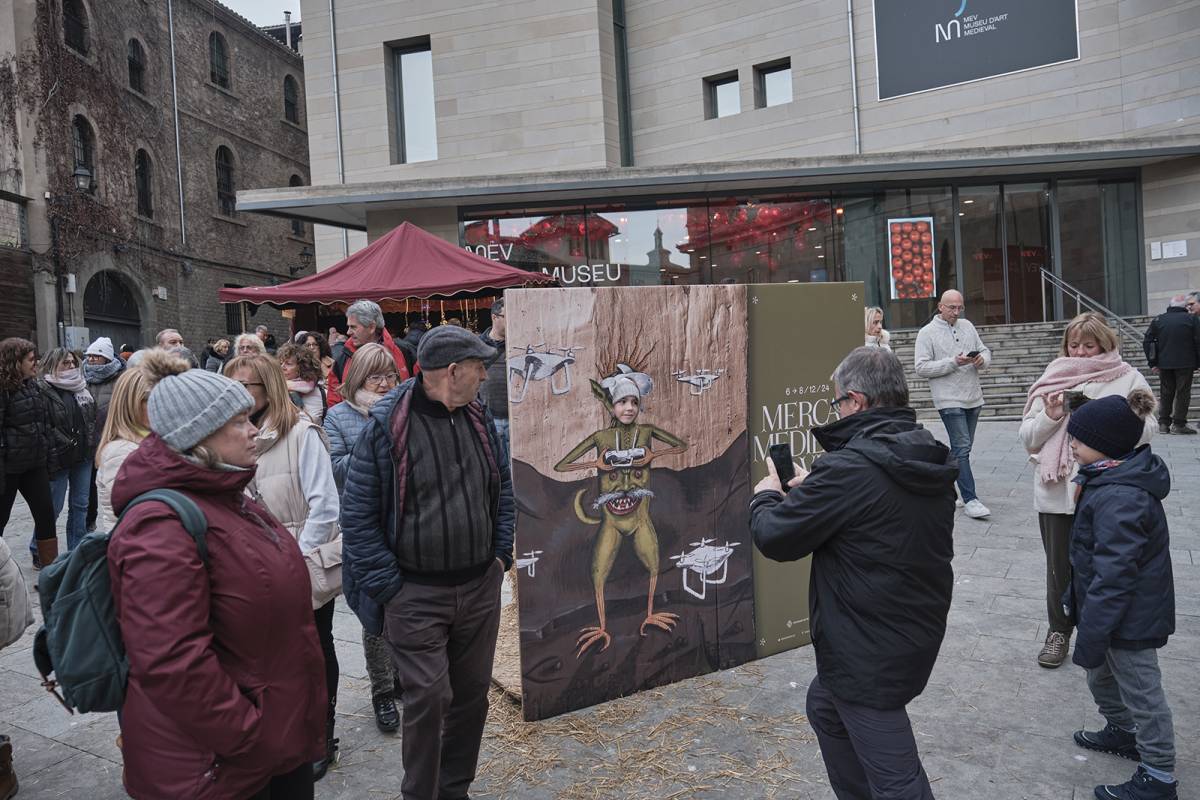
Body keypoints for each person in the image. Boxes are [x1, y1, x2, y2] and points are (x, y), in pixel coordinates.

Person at [108, 356, 325, 799]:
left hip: (268, 742)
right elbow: (172, 661)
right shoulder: (159, 524)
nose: (254, 430)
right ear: (199, 435)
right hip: (221, 764)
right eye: (240, 420)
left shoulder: (225, 491)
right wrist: (249, 735)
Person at [750, 347, 955, 800]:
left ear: (857, 402)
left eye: (837, 402)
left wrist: (766, 495)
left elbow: (776, 537)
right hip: (907, 625)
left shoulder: (850, 470)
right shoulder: (922, 450)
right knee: (825, 707)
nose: (836, 410)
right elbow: (875, 513)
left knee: (897, 780)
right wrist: (819, 490)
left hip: (868, 647)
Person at [340, 325, 513, 800]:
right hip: (415, 594)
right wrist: (391, 588)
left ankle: (454, 789)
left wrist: (500, 555)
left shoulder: (478, 416)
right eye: (479, 367)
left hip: (479, 586)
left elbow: (504, 489)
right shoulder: (386, 425)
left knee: (472, 695)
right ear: (452, 371)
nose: (485, 375)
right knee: (429, 698)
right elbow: (356, 516)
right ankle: (420, 794)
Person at [224, 353, 341, 781]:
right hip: (252, 571)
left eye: (246, 388)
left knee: (315, 647)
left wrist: (293, 561)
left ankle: (322, 734)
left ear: (268, 388)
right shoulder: (229, 437)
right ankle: (279, 730)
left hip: (300, 563)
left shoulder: (300, 434)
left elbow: (325, 506)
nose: (237, 397)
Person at [1019, 313, 1155, 669]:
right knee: (1059, 568)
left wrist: (1100, 421)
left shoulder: (1127, 377)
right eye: (1074, 344)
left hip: (1109, 491)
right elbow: (1027, 438)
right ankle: (1058, 630)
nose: (1079, 352)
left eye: (1088, 345)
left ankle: (1104, 633)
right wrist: (1051, 416)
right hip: (1057, 489)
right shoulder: (1054, 377)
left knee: (1105, 565)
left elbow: (1149, 426)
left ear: (1105, 344)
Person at [1064, 390, 1178, 800]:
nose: (1071, 444)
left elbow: (1115, 574)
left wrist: (1093, 629)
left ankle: (1159, 775)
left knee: (1143, 695)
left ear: (1107, 445)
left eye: (1077, 439)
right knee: (1102, 678)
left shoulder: (1121, 495)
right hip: (1107, 613)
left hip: (1129, 619)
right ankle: (1122, 731)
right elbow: (1091, 558)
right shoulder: (1106, 478)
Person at [322, 343, 402, 735]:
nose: (386, 384)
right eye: (376, 376)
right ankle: (382, 692)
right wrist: (379, 444)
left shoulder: (408, 410)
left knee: (407, 606)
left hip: (405, 524)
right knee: (374, 613)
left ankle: (402, 677)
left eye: (391, 375)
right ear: (358, 379)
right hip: (364, 527)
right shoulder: (338, 417)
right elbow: (336, 470)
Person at [914, 289, 992, 518]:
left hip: (973, 396)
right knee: (962, 448)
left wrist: (981, 360)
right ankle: (971, 500)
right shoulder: (926, 333)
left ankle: (947, 487)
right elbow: (921, 367)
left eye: (960, 307)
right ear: (940, 306)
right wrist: (953, 363)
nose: (956, 312)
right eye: (951, 308)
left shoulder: (968, 326)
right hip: (948, 398)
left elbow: (986, 351)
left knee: (962, 449)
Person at [0, 338, 57, 569]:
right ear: (15, 362)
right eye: (31, 359)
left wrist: (47, 459)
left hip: (34, 465)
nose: (37, 363)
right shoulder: (3, 389)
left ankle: (51, 573)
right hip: (8, 468)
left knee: (46, 516)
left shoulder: (34, 386)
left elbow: (43, 426)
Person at [36, 348, 98, 553]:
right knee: (53, 507)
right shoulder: (43, 390)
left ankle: (76, 549)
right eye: (65, 363)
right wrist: (64, 441)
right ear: (52, 364)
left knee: (80, 505)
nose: (71, 366)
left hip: (84, 455)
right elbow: (44, 425)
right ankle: (38, 547)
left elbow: (91, 421)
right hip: (59, 456)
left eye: (73, 362)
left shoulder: (82, 387)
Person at [94, 362, 157, 532]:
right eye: (152, 399)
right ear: (132, 403)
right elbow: (133, 512)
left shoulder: (151, 439)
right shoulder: (121, 452)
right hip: (136, 546)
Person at [327, 299, 411, 406]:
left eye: (353, 327)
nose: (348, 332)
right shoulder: (343, 357)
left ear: (371, 327)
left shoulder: (403, 351)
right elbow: (333, 399)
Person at [83, 337, 125, 532]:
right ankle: (88, 525)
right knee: (88, 492)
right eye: (89, 355)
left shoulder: (120, 378)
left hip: (112, 441)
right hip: (88, 444)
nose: (91, 360)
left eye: (96, 356)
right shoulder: (81, 378)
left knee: (114, 486)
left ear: (106, 358)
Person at [1142, 295, 1200, 435]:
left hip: (1164, 363)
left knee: (1166, 392)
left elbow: (1147, 341)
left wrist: (1152, 362)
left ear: (1170, 305)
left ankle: (1163, 424)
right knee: (1183, 393)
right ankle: (1179, 424)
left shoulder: (1159, 319)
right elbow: (1198, 342)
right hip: (1186, 363)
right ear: (1185, 306)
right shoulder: (1192, 319)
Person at [479, 297, 510, 461]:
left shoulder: (520, 344)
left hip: (516, 419)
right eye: (507, 315)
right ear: (494, 317)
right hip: (490, 418)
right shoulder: (478, 345)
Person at [276, 342, 327, 424]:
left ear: (303, 368)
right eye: (281, 363)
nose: (282, 367)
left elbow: (309, 423)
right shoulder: (276, 388)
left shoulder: (320, 393)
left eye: (288, 364)